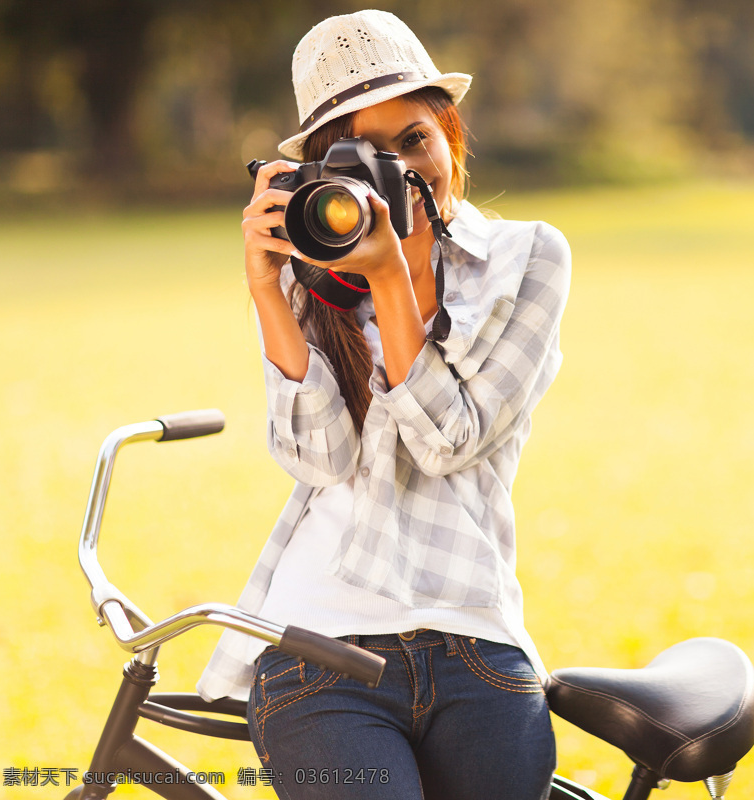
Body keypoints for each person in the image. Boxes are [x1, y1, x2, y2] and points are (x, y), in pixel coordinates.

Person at [196, 11, 570, 800]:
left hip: (475, 638)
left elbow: (447, 441)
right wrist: (268, 286)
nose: (396, 169)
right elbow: (318, 459)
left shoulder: (528, 258)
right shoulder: (313, 267)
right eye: (363, 154)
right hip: (319, 647)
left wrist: (392, 278)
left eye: (414, 139)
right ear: (324, 170)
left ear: (451, 136)